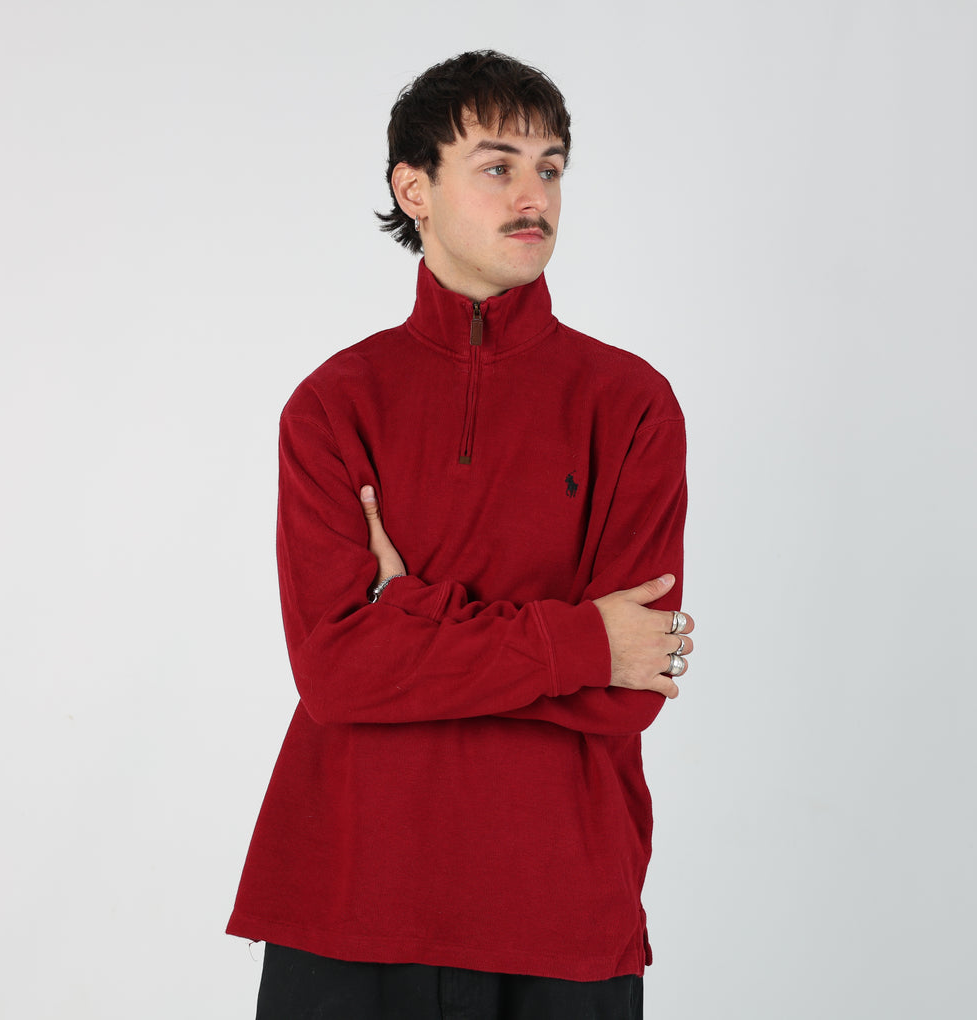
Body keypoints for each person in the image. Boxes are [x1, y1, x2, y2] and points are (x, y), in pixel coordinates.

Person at [228, 50, 695, 1020]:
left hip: (562, 909)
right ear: (416, 190)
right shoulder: (333, 407)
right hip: (350, 904)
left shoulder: (632, 405)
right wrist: (580, 641)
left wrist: (406, 610)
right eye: (497, 167)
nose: (535, 196)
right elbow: (336, 672)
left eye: (551, 168)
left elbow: (628, 690)